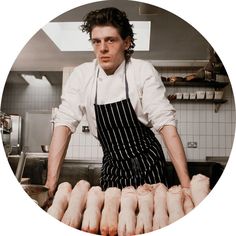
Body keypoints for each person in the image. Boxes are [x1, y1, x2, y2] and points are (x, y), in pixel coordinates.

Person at [45, 7, 190, 196]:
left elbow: (166, 124)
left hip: (149, 164)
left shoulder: (142, 71)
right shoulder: (82, 75)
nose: (102, 48)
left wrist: (186, 185)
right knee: (110, 223)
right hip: (112, 167)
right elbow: (63, 125)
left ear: (126, 42)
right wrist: (50, 183)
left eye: (110, 40)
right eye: (96, 41)